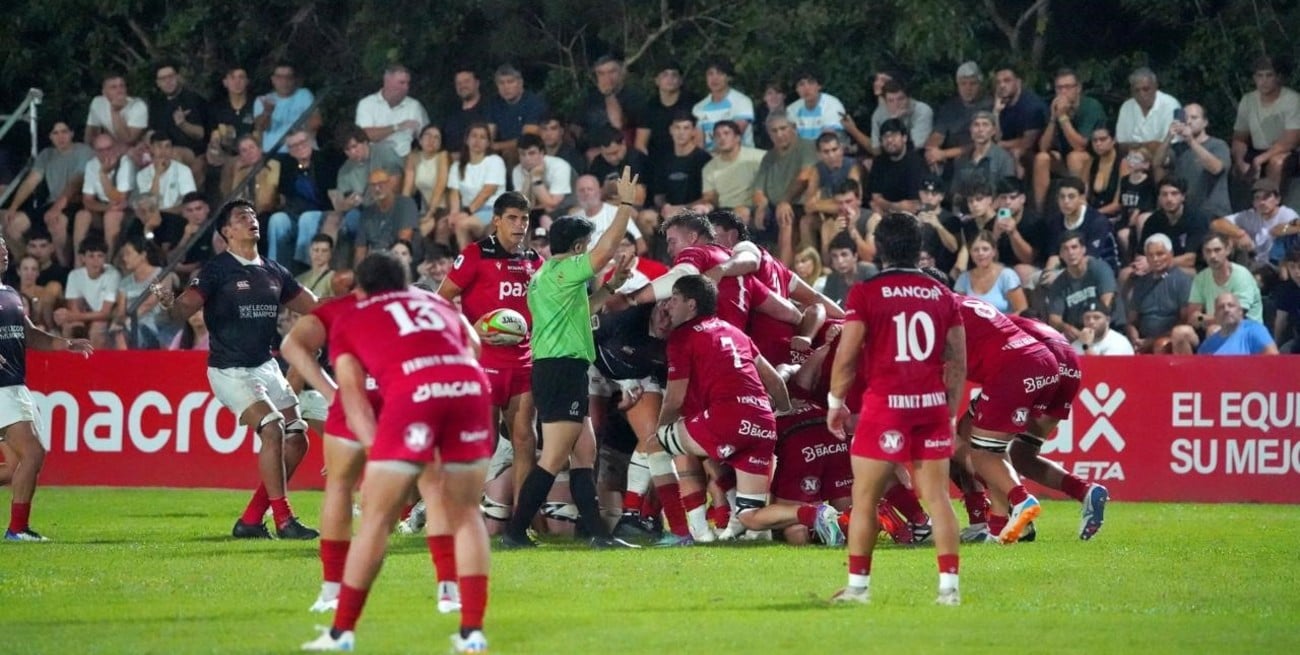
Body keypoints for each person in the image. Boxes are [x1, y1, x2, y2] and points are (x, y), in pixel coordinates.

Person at [300, 252, 492, 653]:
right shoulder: (436, 302)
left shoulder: (352, 316)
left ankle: (341, 633)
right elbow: (473, 346)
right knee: (467, 512)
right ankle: (472, 633)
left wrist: (378, 452)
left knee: (376, 517)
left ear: (361, 288)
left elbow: (352, 397)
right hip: (470, 388)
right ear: (404, 281)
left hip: (414, 394)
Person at [155, 200, 320, 539]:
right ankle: (284, 520)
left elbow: (314, 306)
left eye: (253, 216)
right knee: (272, 428)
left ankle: (251, 519)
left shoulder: (273, 270)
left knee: (297, 439)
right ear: (227, 232)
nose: (251, 221)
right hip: (231, 370)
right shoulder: (216, 270)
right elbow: (182, 310)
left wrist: (358, 302)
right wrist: (170, 305)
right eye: (242, 217)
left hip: (266, 366)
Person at [826, 212, 966, 606]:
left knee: (865, 498)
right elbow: (957, 362)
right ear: (919, 246)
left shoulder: (866, 292)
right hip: (931, 406)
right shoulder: (942, 294)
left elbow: (847, 356)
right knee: (937, 498)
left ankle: (858, 589)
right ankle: (949, 590)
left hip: (885, 408)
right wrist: (950, 413)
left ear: (878, 247)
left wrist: (836, 402)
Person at [500, 167, 640, 549]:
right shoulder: (566, 269)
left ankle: (597, 535)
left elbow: (583, 309)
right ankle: (514, 533)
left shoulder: (547, 276)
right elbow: (606, 250)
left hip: (560, 368)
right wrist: (625, 205)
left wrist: (611, 287)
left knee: (584, 454)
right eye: (587, 245)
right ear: (578, 248)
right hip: (561, 368)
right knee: (554, 457)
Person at [654, 274, 798, 541]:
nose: (667, 305)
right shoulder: (736, 333)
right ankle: (815, 513)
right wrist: (784, 414)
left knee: (662, 443)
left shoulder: (682, 337)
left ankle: (694, 531)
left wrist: (660, 430)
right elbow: (776, 382)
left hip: (726, 419)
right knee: (751, 516)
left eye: (674, 299)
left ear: (691, 305)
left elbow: (674, 400)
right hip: (762, 422)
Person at [438, 192, 542, 506]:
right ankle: (463, 511)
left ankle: (520, 520)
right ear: (496, 220)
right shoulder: (475, 254)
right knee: (486, 441)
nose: (520, 225)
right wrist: (471, 329)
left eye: (524, 219)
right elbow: (441, 300)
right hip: (483, 363)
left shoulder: (534, 261)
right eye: (512, 218)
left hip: (523, 362)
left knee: (525, 439)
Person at [0, 236, 94, 541]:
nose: (3, 251)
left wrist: (65, 344)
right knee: (33, 453)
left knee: (15, 466)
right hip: (2, 388)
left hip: (15, 386)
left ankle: (18, 528)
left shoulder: (10, 294)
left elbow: (29, 334)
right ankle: (17, 530)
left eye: (4, 247)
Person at [1005, 315, 1110, 540]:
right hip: (1070, 367)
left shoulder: (975, 320)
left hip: (1041, 365)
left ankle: (1002, 520)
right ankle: (1085, 491)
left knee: (984, 445)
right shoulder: (1020, 322)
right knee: (1022, 455)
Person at [1196, 292, 1278, 356]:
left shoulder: (1255, 330)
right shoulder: (1208, 345)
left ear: (1240, 311)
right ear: (1215, 315)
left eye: (1231, 305)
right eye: (1221, 307)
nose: (1226, 310)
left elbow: (1274, 361)